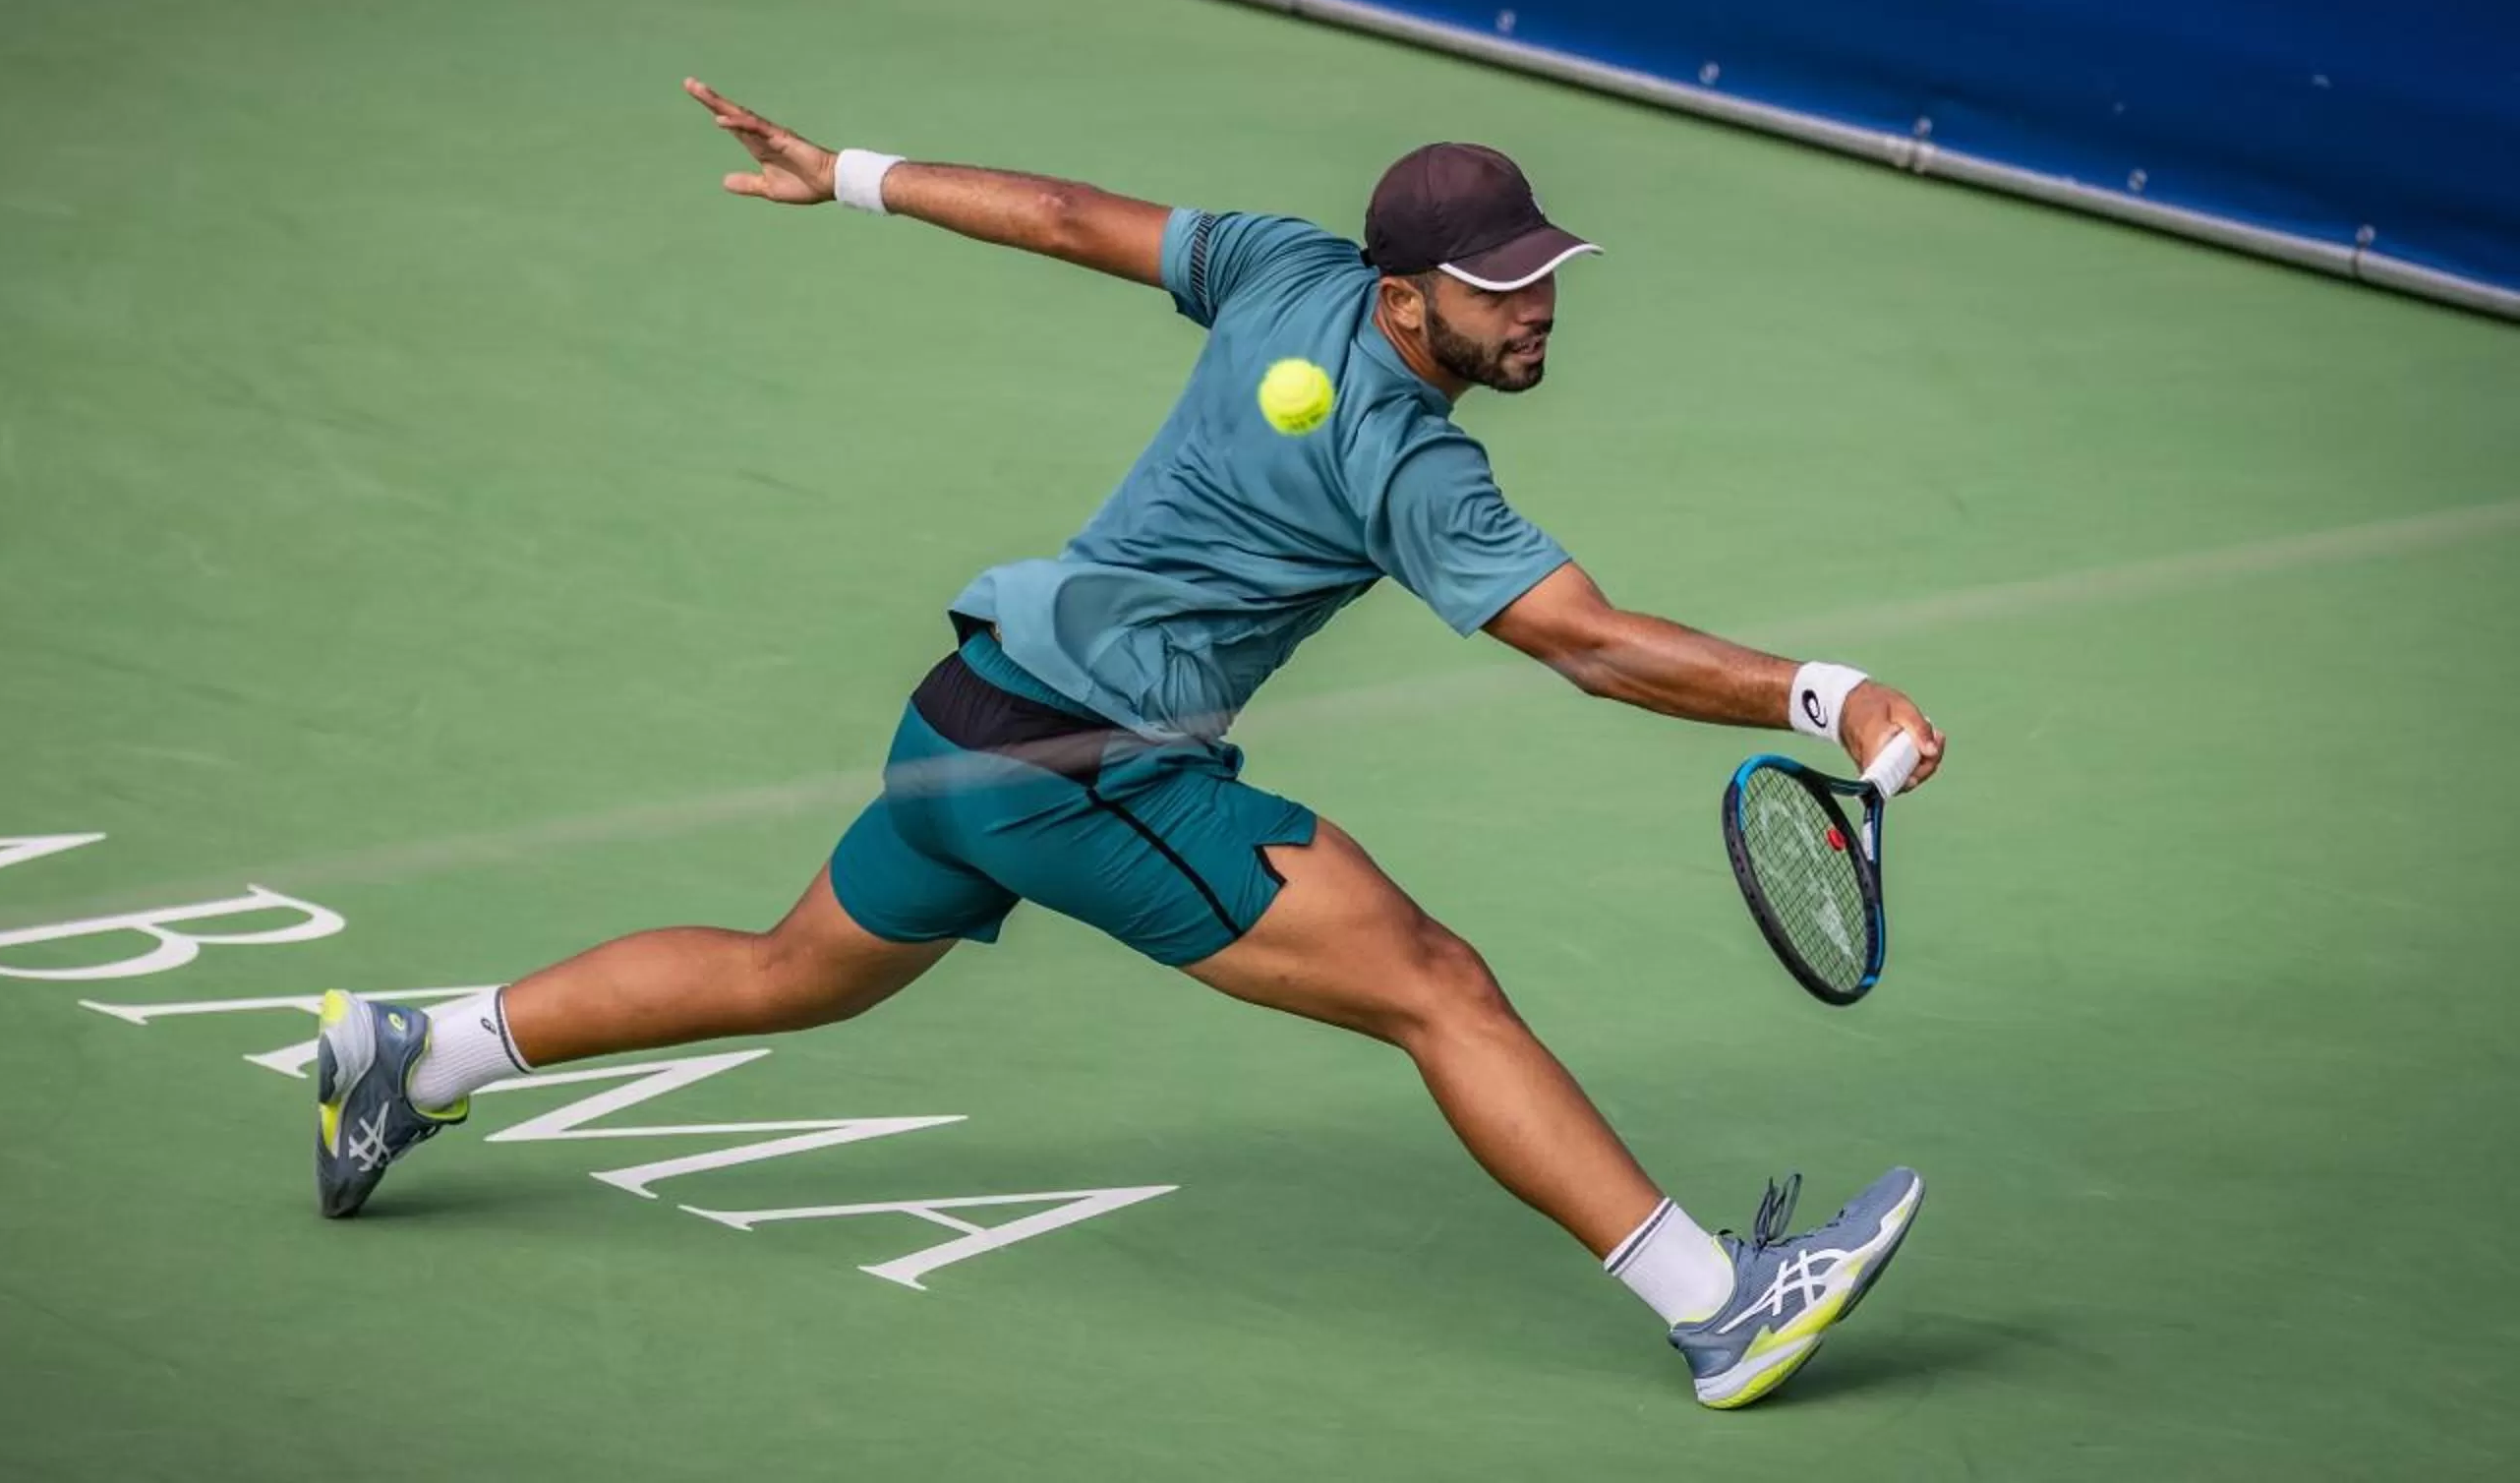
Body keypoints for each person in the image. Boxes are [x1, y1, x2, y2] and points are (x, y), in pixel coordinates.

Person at [309, 78, 1948, 1408]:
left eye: (1542, 279)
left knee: (785, 971)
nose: (1534, 311)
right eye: (1499, 288)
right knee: (1433, 984)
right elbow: (1587, 645)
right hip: (1089, 767)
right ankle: (1717, 1303)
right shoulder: (1408, 465)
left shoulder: (1279, 266)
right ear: (1403, 296)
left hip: (964, 715)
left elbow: (1064, 218)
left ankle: (423, 1050)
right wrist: (1832, 694)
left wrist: (854, 171)